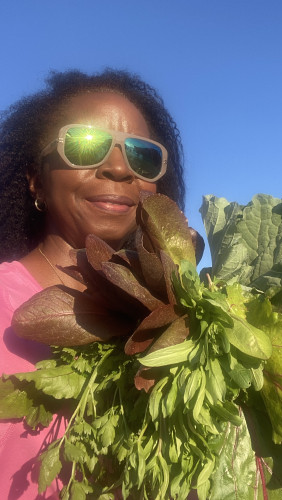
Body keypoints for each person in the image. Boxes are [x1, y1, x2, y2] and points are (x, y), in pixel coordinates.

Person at [0, 69, 185, 499]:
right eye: (85, 144)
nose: (120, 168)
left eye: (142, 156)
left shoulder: (176, 322)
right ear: (35, 179)